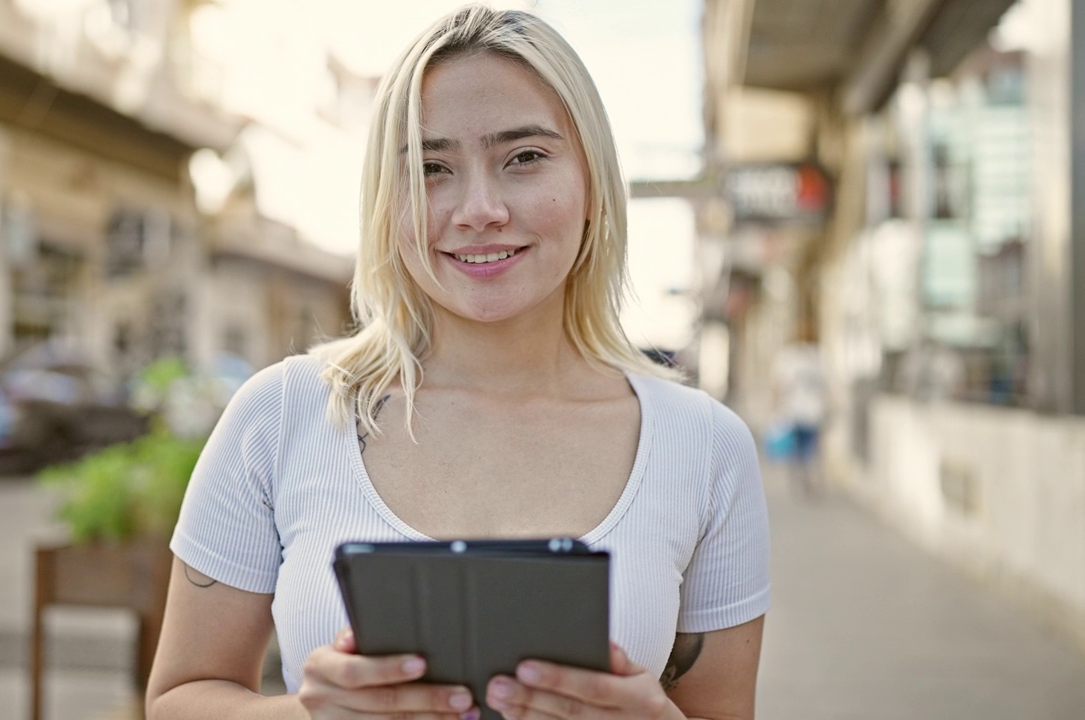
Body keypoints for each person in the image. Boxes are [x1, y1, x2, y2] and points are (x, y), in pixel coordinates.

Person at [146, 7, 769, 720]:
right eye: (432, 168)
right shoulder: (281, 415)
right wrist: (309, 715)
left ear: (595, 181)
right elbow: (178, 700)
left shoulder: (704, 446)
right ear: (389, 200)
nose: (479, 209)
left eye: (525, 158)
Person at [771, 320, 826, 497]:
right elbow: (827, 385)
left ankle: (800, 475)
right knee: (810, 446)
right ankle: (809, 474)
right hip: (813, 411)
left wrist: (776, 407)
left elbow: (780, 385)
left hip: (794, 410)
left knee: (796, 446)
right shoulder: (820, 356)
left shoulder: (789, 357)